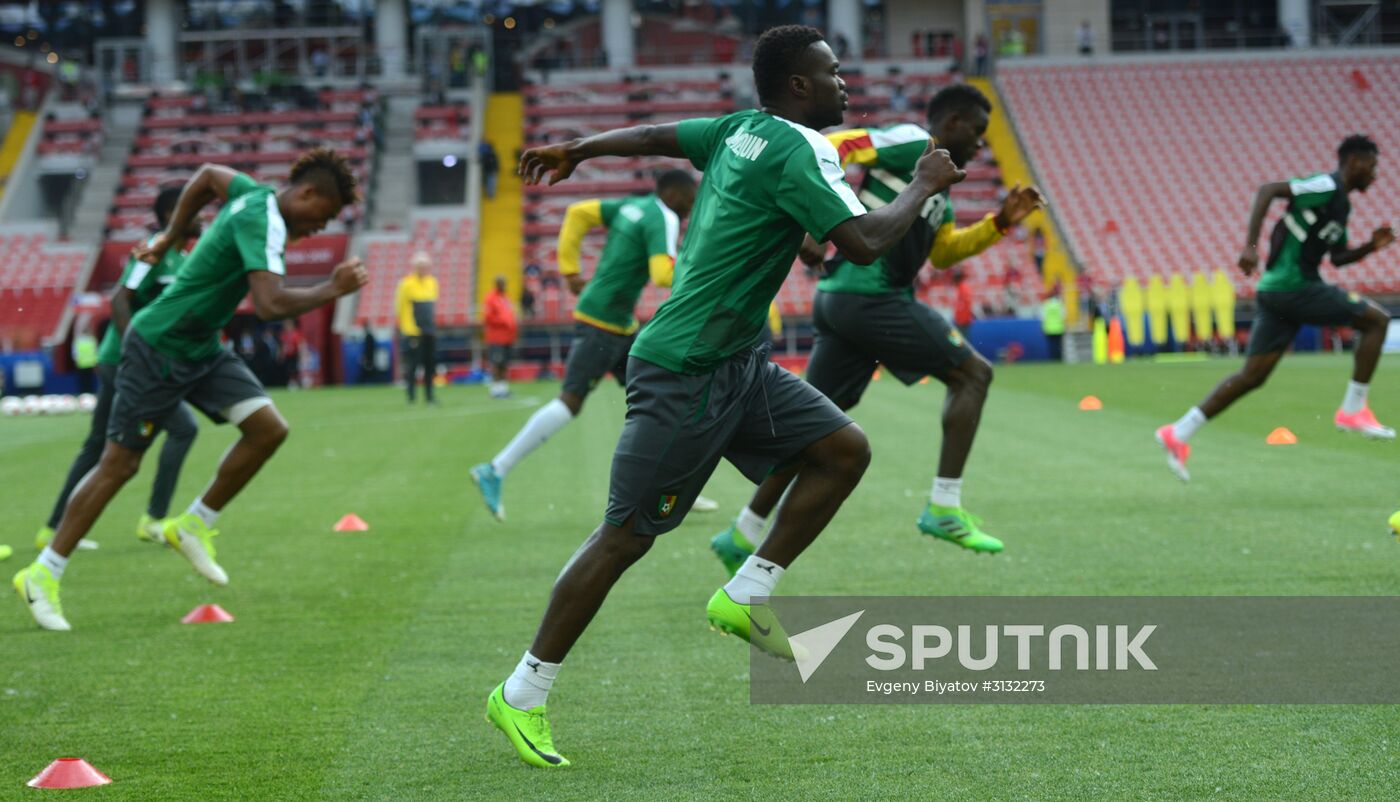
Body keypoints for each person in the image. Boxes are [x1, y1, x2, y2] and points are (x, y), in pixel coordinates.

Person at [486, 25, 965, 768]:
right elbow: (867, 240)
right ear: (799, 86)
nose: (845, 83)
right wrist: (925, 184)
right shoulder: (804, 147)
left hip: (738, 361)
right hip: (686, 366)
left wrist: (580, 149)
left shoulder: (737, 130)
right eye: (832, 72)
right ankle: (521, 692)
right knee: (625, 537)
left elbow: (654, 134)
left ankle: (746, 592)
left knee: (843, 451)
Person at [13, 148, 368, 631]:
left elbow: (205, 178)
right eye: (321, 216)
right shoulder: (264, 223)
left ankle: (194, 523)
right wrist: (334, 288)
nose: (319, 229)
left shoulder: (252, 193)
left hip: (200, 346)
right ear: (307, 193)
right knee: (120, 464)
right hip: (160, 346)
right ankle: (43, 573)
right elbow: (268, 304)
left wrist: (168, 237)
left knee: (267, 429)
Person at [710, 84, 1045, 570]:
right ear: (950, 123)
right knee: (973, 374)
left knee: (812, 432)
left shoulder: (936, 183)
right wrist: (810, 220)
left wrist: (1000, 222)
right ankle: (945, 507)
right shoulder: (914, 142)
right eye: (976, 132)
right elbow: (838, 146)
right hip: (870, 297)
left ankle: (742, 533)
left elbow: (944, 250)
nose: (980, 145)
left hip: (843, 302)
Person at [1156, 135, 1395, 481]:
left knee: (1252, 376)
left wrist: (1370, 247)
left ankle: (1178, 433)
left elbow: (1339, 258)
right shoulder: (1325, 185)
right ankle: (1353, 409)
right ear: (1354, 162)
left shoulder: (1341, 205)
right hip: (1293, 287)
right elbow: (1268, 189)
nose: (1375, 175)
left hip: (1279, 293)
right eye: (1372, 166)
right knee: (1376, 321)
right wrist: (1250, 247)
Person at [470, 170, 698, 520]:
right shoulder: (663, 217)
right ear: (674, 193)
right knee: (571, 402)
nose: (692, 206)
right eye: (690, 198)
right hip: (603, 325)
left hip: (617, 323)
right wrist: (706, 271)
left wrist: (569, 270)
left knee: (663, 395)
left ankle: (672, 488)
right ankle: (495, 469)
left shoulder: (632, 205)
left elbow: (577, 213)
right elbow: (663, 274)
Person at [35, 186, 200, 552]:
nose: (203, 215)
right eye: (196, 208)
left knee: (97, 445)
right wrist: (137, 353)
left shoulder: (182, 259)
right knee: (184, 428)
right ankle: (154, 519)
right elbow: (119, 300)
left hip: (126, 361)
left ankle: (53, 529)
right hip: (125, 360)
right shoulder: (152, 251)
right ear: (174, 213)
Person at [395, 251, 440, 404]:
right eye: (421, 266)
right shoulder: (406, 284)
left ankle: (429, 396)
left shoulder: (432, 282)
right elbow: (400, 308)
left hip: (429, 330)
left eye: (427, 266)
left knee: (429, 364)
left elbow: (431, 308)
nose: (425, 269)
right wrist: (407, 328)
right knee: (412, 365)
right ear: (415, 267)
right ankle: (411, 396)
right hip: (412, 331)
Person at [482, 275, 517, 398]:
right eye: (501, 283)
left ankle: (503, 388)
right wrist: (503, 321)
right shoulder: (491, 298)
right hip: (496, 337)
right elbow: (488, 317)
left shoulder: (505, 297)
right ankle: (495, 390)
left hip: (507, 337)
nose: (503, 286)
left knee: (504, 364)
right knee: (497, 363)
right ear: (497, 284)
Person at [1042, 284, 1066, 362]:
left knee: (1051, 345)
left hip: (1049, 328)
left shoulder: (1046, 305)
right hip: (1058, 327)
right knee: (1059, 345)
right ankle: (1059, 359)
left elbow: (1043, 316)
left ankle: (1052, 359)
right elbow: (1064, 315)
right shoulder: (1059, 304)